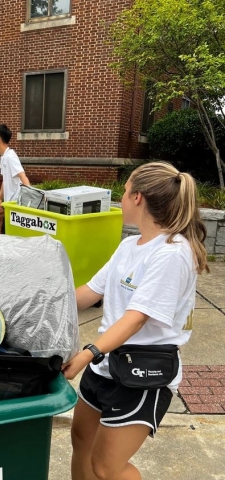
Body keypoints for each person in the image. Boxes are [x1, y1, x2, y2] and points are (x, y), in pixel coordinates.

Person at [62, 161, 209, 480]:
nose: (122, 197)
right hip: (105, 366)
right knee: (81, 441)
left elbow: (136, 319)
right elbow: (89, 292)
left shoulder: (173, 253)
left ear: (138, 197)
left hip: (142, 373)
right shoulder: (130, 245)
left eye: (125, 191)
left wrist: (88, 352)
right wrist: (41, 302)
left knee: (107, 467)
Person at [0, 124, 30, 233]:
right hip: (9, 206)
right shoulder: (4, 156)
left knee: (7, 237)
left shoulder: (11, 157)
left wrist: (32, 199)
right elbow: (6, 180)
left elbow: (23, 176)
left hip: (16, 206)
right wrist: (0, 198)